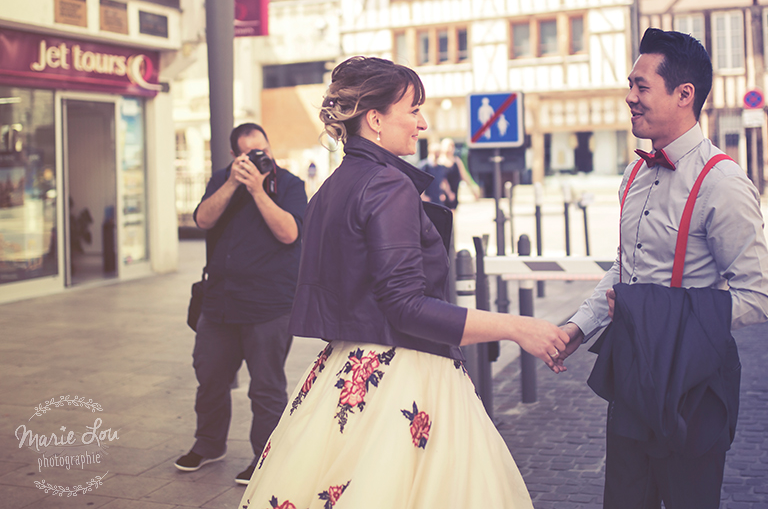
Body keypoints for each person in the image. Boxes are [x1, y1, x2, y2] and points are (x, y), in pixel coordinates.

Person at [239, 56, 568, 509]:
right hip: (404, 374)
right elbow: (406, 307)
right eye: (413, 110)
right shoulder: (387, 185)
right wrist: (517, 327)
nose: (422, 122)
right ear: (374, 119)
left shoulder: (331, 188)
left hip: (341, 370)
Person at [555, 28, 768, 509]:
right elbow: (624, 270)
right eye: (630, 84)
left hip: (693, 383)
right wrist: (579, 326)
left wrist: (658, 313)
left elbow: (757, 298)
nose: (629, 97)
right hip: (631, 373)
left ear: (684, 94)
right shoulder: (633, 174)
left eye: (641, 86)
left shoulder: (723, 183)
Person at [176, 123, 307, 485]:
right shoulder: (222, 179)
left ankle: (265, 456)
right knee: (210, 378)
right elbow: (203, 219)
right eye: (249, 154)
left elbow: (290, 233)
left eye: (263, 150)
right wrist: (234, 183)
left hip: (269, 304)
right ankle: (208, 444)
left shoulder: (291, 185)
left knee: (266, 387)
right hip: (219, 301)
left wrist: (258, 189)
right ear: (236, 156)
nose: (259, 158)